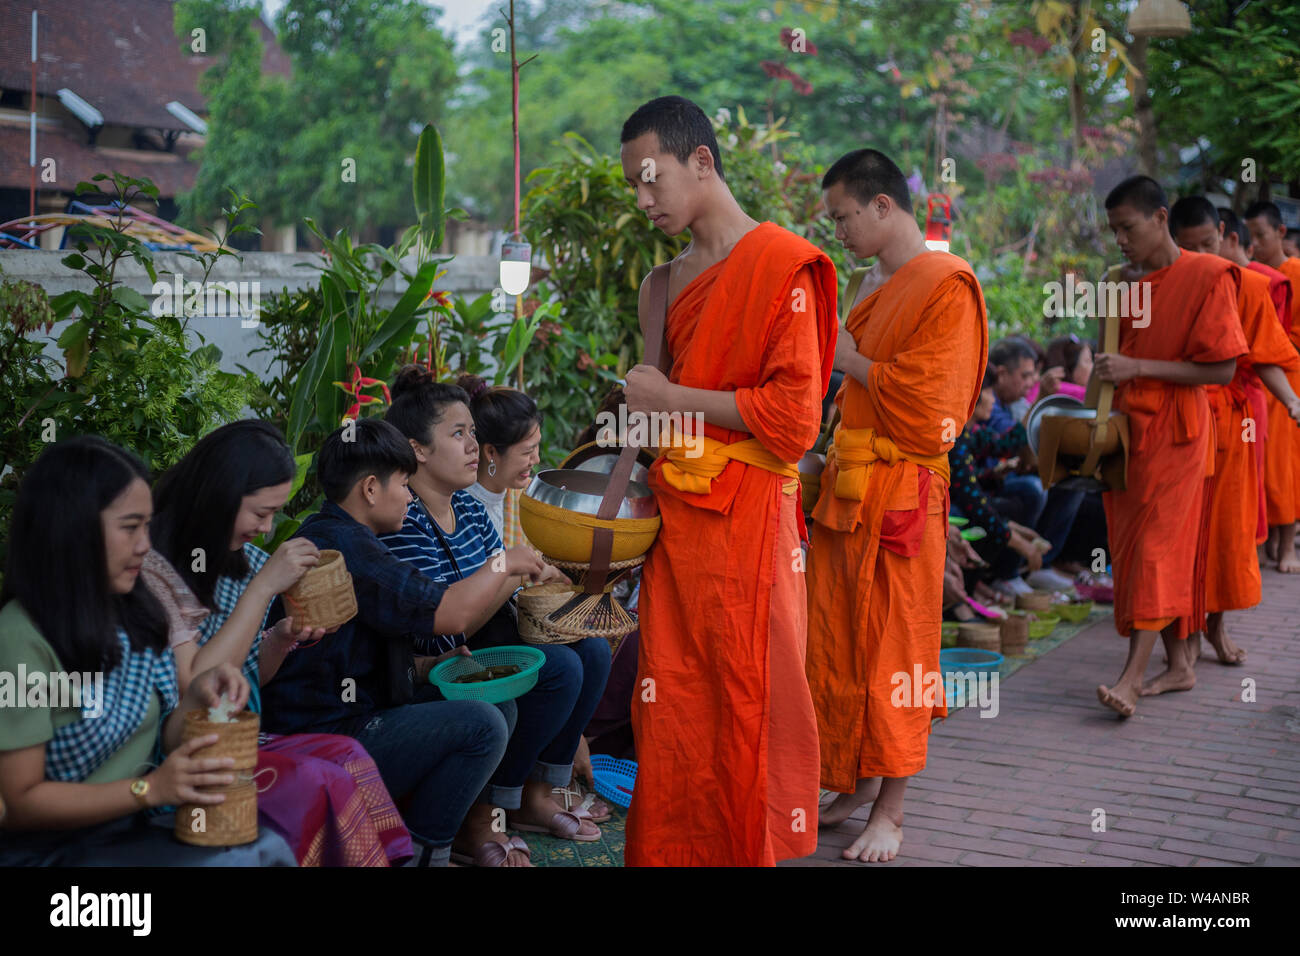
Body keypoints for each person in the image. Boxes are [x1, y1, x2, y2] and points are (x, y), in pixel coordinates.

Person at [617, 95, 836, 866]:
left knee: (753, 698)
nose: (643, 201)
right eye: (634, 187)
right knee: (674, 703)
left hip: (753, 525)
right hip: (678, 528)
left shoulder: (784, 268)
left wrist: (672, 400)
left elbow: (793, 421)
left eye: (653, 181)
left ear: (701, 162)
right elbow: (648, 417)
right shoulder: (662, 285)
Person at [260, 418, 551, 867]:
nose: (410, 497)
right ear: (371, 489)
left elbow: (351, 653)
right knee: (483, 725)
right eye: (403, 484)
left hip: (358, 705)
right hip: (330, 729)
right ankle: (420, 853)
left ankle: (443, 833)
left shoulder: (341, 533)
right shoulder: (346, 547)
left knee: (498, 704)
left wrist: (421, 668)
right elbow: (449, 611)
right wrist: (504, 562)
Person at [807, 147, 987, 862]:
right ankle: (850, 780)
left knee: (898, 652)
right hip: (849, 493)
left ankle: (893, 808)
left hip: (903, 496)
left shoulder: (948, 283)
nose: (839, 234)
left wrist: (850, 360)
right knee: (839, 642)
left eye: (845, 218)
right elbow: (854, 395)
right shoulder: (873, 285)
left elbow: (935, 412)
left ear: (884, 206)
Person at [0, 437, 294, 866]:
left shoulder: (139, 609)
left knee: (268, 848)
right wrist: (149, 790)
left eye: (146, 527)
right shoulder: (22, 636)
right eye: (129, 527)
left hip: (128, 830)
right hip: (51, 850)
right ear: (72, 528)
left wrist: (201, 695)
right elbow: (22, 801)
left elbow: (168, 737)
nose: (144, 545)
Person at [149, 419, 413, 866]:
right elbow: (195, 687)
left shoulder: (246, 560)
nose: (269, 529)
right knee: (315, 778)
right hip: (182, 755)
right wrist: (262, 591)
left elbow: (250, 677)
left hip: (243, 734)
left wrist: (278, 641)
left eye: (276, 513)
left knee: (348, 754)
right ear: (220, 495)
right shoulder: (154, 569)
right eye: (260, 512)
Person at [380, 366, 612, 854]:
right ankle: (489, 811)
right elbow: (441, 627)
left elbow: (499, 584)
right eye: (458, 434)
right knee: (560, 667)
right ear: (417, 449)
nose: (472, 445)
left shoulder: (464, 507)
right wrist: (508, 570)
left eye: (472, 432)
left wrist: (530, 578)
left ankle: (536, 792)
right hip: (436, 660)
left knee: (591, 651)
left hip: (477, 633)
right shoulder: (404, 516)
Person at [1093, 176, 1246, 718]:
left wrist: (1139, 368)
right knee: (1136, 555)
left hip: (1177, 435)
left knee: (1156, 552)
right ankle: (1180, 663)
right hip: (1127, 435)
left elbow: (1223, 367)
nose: (1121, 240)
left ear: (1161, 219)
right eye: (1114, 231)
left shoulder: (1207, 275)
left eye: (1128, 228)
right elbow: (1111, 356)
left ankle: (1131, 680)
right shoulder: (1123, 281)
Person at [1170, 197, 1300, 665]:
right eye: (1191, 248)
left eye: (1209, 244)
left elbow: (1265, 354)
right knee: (1182, 539)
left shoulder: (1247, 285)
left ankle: (1216, 628)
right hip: (1180, 424)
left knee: (1227, 534)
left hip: (1232, 426)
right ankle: (1181, 645)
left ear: (1222, 233)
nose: (1202, 256)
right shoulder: (1164, 284)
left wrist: (1291, 401)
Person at [1222, 206, 1300, 570]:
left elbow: (1279, 340)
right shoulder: (1238, 276)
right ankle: (1263, 544)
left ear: (1281, 232)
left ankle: (1286, 547)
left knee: (1283, 468)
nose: (1257, 244)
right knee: (1262, 470)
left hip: (1284, 375)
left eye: (1262, 236)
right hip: (1249, 382)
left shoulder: (1289, 275)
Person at [948, 367, 1046, 586]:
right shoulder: (954, 437)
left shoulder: (969, 433)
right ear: (972, 394)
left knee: (1015, 503)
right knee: (977, 521)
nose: (992, 399)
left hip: (968, 506)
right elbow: (974, 503)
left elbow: (1007, 444)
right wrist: (1021, 543)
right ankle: (966, 595)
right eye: (989, 392)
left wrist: (992, 474)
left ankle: (980, 587)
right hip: (949, 515)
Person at [459, 374, 542, 548]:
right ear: (491, 452)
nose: (536, 459)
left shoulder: (528, 497)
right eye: (528, 451)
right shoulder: (460, 511)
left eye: (537, 446)